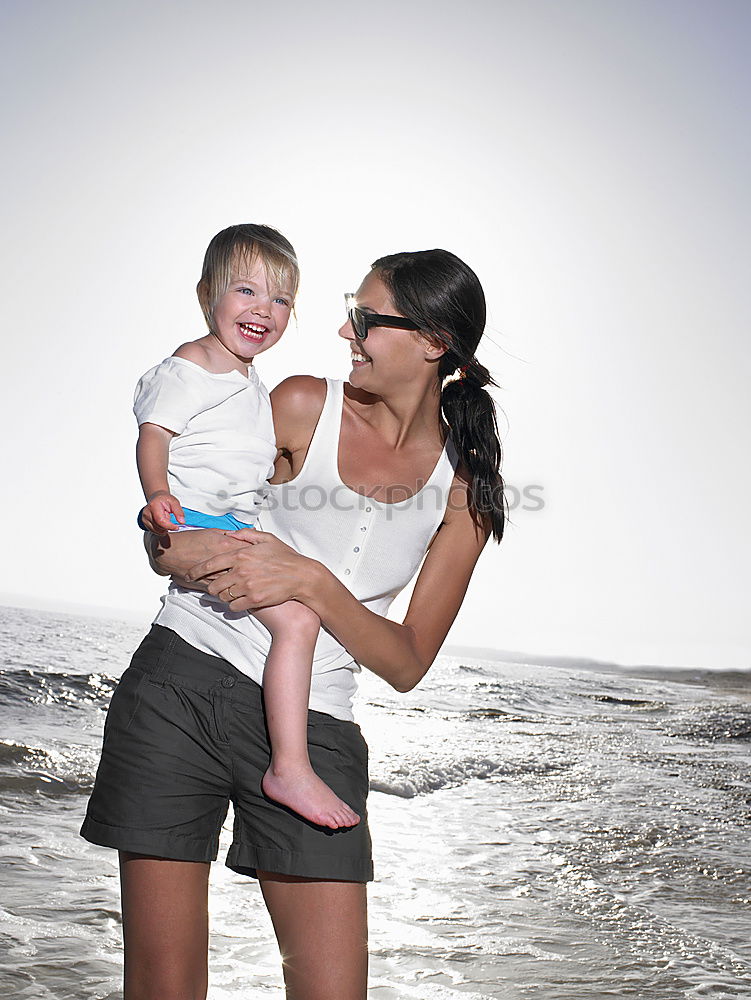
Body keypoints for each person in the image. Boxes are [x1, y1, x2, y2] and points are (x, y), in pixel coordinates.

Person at [80, 246, 506, 1000]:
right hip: (179, 684)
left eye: (365, 318)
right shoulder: (302, 403)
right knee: (163, 987)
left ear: (434, 343)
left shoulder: (462, 489)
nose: (345, 333)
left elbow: (406, 664)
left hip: (316, 731)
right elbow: (174, 530)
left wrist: (311, 582)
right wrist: (167, 535)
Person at [132, 222, 359, 828]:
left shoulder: (250, 381)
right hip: (193, 519)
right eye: (246, 291)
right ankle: (289, 766)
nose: (264, 310)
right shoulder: (193, 363)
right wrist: (157, 496)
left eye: (281, 300)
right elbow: (154, 435)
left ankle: (286, 759)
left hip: (229, 521)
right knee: (300, 619)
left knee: (296, 612)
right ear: (206, 293)